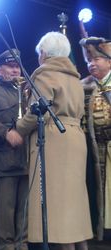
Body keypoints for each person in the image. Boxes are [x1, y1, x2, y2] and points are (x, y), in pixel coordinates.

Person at [8, 32, 93, 249]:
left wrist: (18, 128)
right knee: (74, 200)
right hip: (75, 138)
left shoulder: (46, 74)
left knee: (57, 204)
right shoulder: (75, 76)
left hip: (55, 140)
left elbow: (40, 111)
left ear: (44, 54)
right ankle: (79, 244)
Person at [0, 50, 28, 250]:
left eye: (17, 66)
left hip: (26, 157)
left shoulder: (27, 90)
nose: (15, 69)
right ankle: (7, 247)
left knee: (25, 209)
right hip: (4, 159)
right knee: (6, 210)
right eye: (10, 66)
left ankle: (23, 245)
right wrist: (5, 133)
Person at [80, 37, 111, 240]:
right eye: (89, 60)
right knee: (96, 189)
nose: (92, 64)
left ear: (109, 61)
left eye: (97, 59)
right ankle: (101, 232)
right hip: (93, 146)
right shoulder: (84, 86)